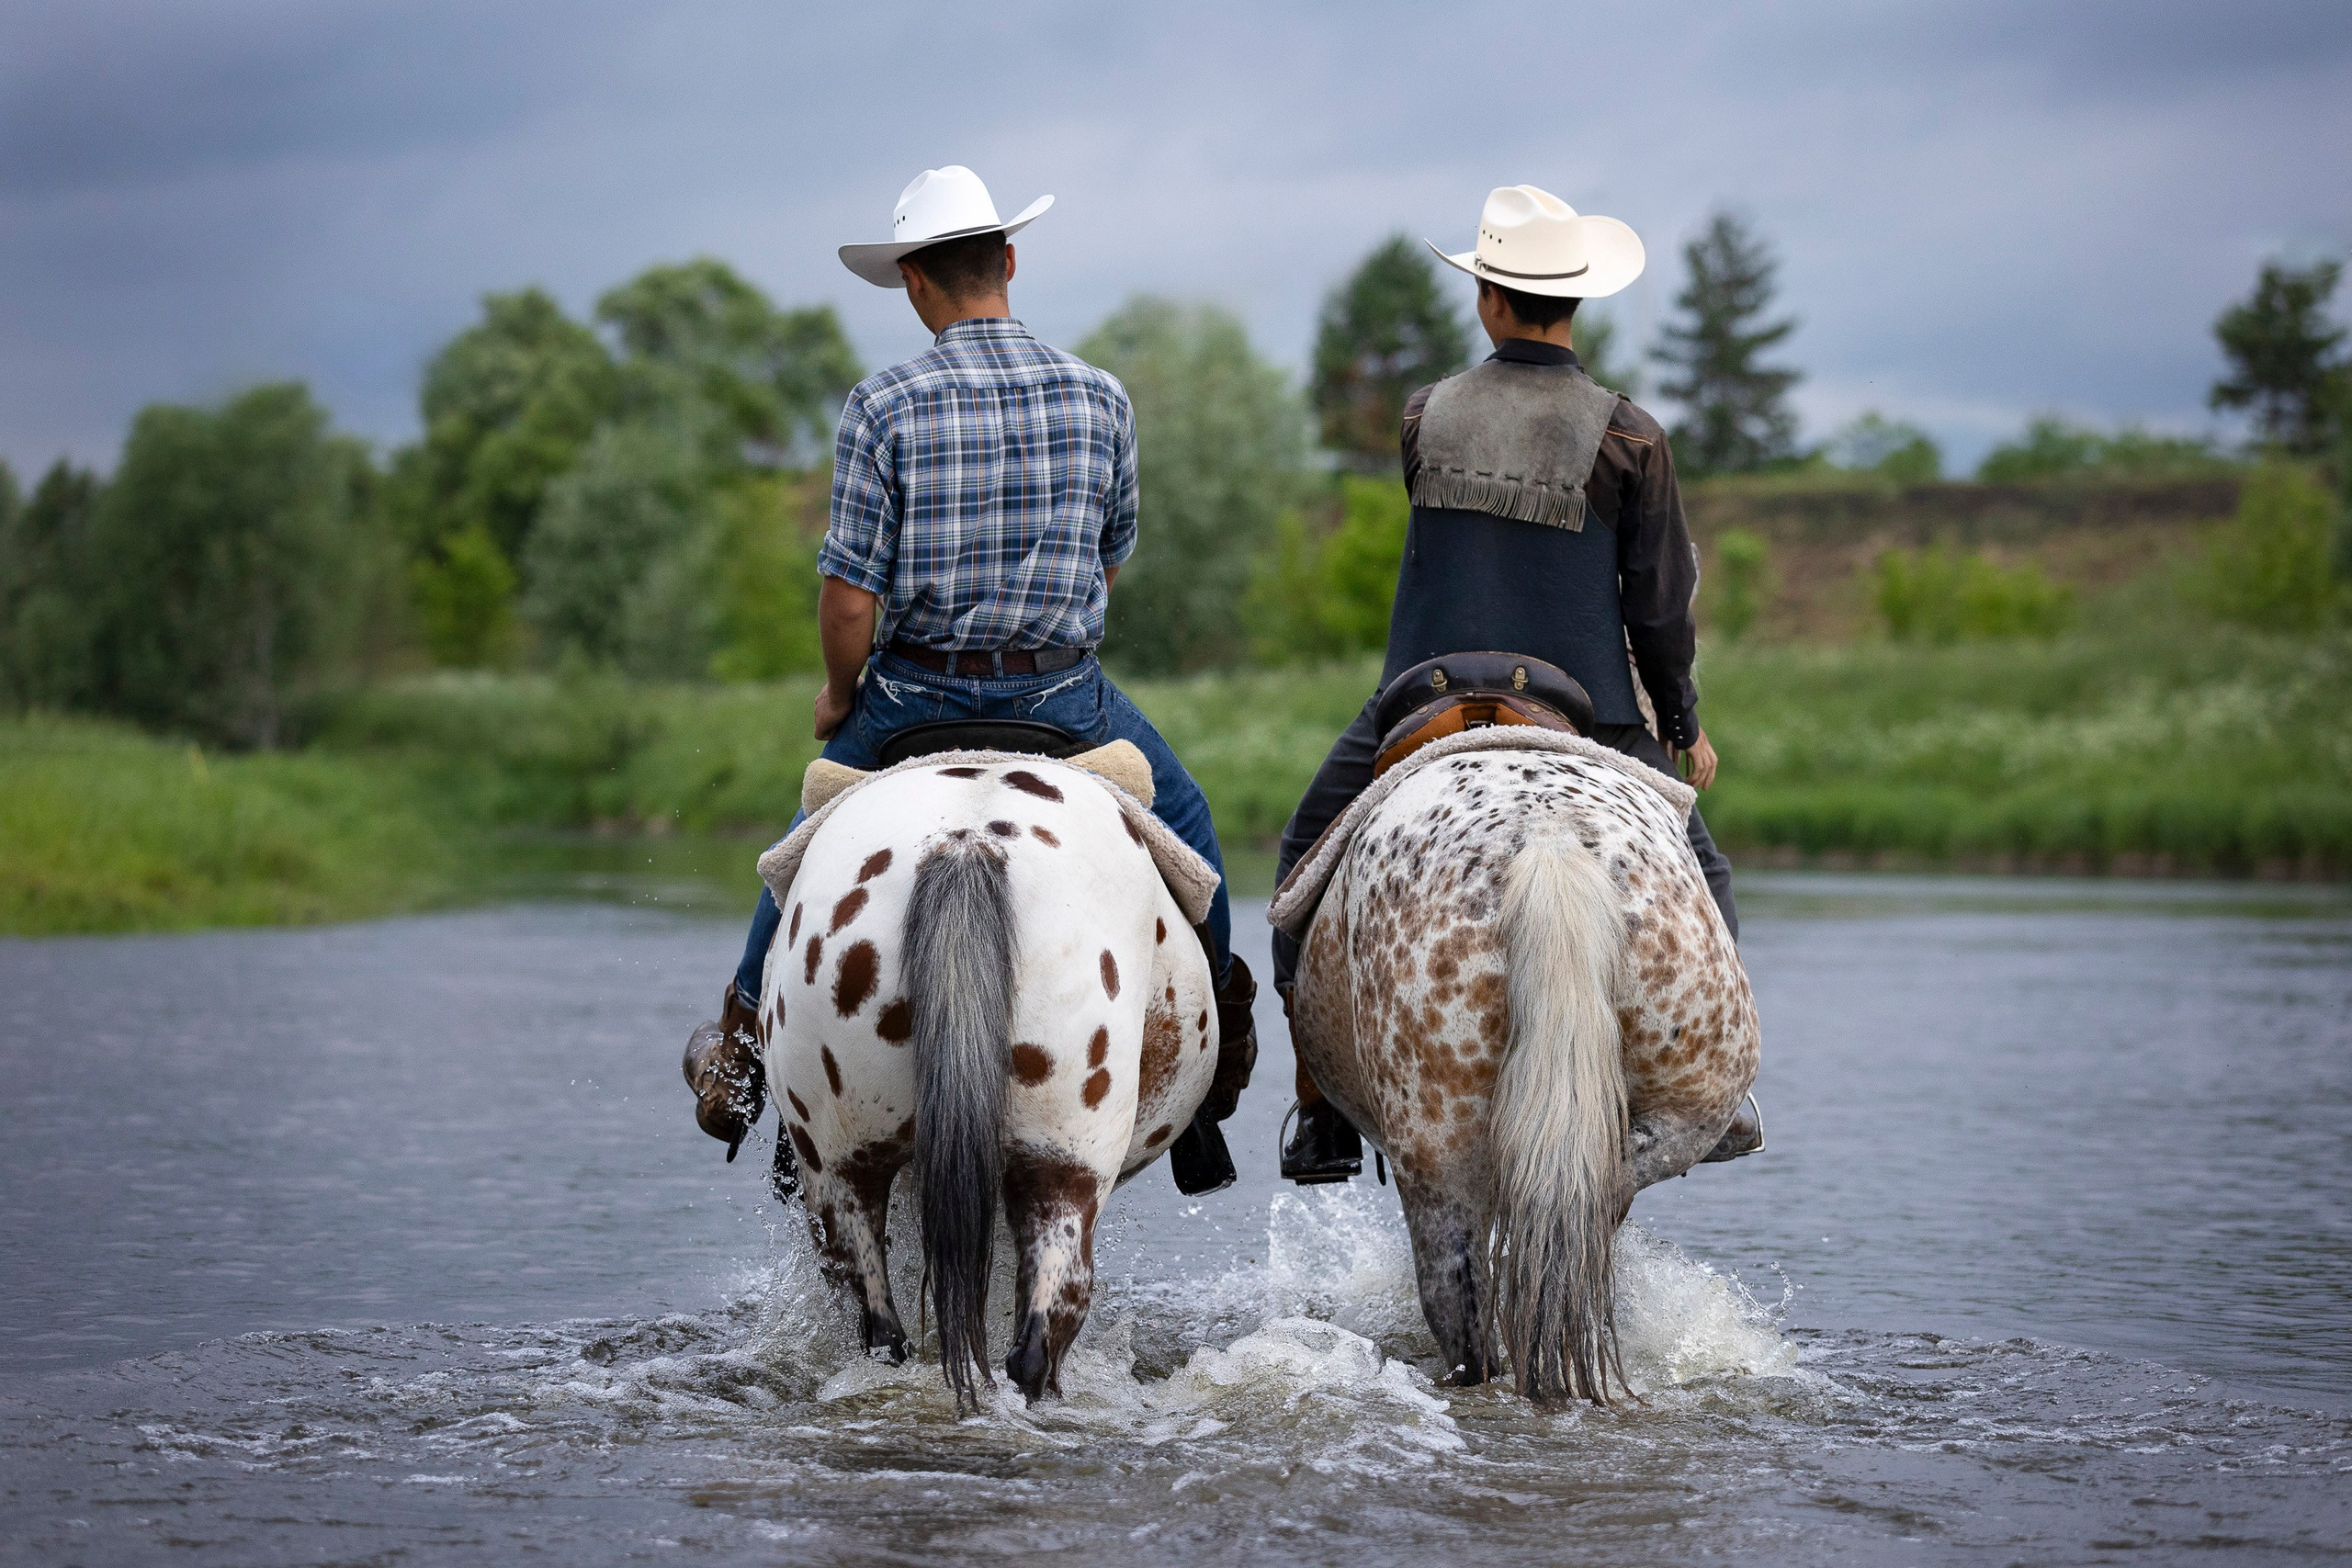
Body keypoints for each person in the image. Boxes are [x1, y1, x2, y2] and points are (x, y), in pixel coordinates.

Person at [683, 165, 1258, 1192]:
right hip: (1063, 698)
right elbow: (1109, 555)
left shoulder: (883, 404)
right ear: (1007, 260)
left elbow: (850, 597)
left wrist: (837, 694)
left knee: (798, 861)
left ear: (912, 283)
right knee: (1195, 836)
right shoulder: (1098, 393)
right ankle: (1207, 1066)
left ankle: (737, 1051)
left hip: (911, 697)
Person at [1273, 183, 1740, 1184]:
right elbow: (1659, 606)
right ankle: (1719, 1095)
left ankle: (1318, 1105)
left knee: (1302, 863)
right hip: (1591, 713)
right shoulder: (1630, 436)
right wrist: (1682, 728)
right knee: (1705, 874)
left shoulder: (1422, 415)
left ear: (1488, 298)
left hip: (1425, 694)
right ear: (1577, 301)